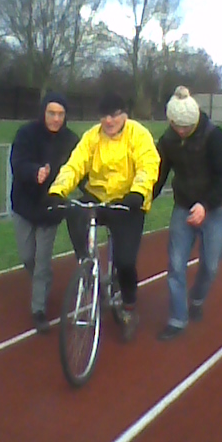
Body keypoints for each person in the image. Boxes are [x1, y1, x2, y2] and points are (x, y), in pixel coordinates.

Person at [48, 92, 160, 342]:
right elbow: (75, 165)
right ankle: (87, 264)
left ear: (125, 115)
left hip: (127, 201)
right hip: (98, 196)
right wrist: (58, 191)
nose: (108, 121)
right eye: (104, 116)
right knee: (74, 212)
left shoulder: (138, 135)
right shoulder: (92, 137)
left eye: (114, 115)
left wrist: (138, 192)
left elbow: (148, 166)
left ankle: (129, 307)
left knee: (125, 261)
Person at [153, 86, 222, 341]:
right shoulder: (168, 140)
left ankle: (196, 298)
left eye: (186, 127)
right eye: (177, 127)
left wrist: (205, 205)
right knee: (176, 264)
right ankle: (177, 318)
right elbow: (159, 175)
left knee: (211, 265)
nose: (182, 131)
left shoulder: (213, 135)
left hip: (213, 208)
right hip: (183, 206)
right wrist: (144, 199)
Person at [10, 91, 79, 334]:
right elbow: (18, 163)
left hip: (51, 208)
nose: (56, 119)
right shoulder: (26, 134)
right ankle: (44, 282)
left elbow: (81, 168)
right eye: (51, 113)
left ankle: (38, 309)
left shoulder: (71, 140)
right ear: (43, 112)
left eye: (61, 114)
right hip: (24, 205)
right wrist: (35, 172)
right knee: (27, 256)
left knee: (41, 260)